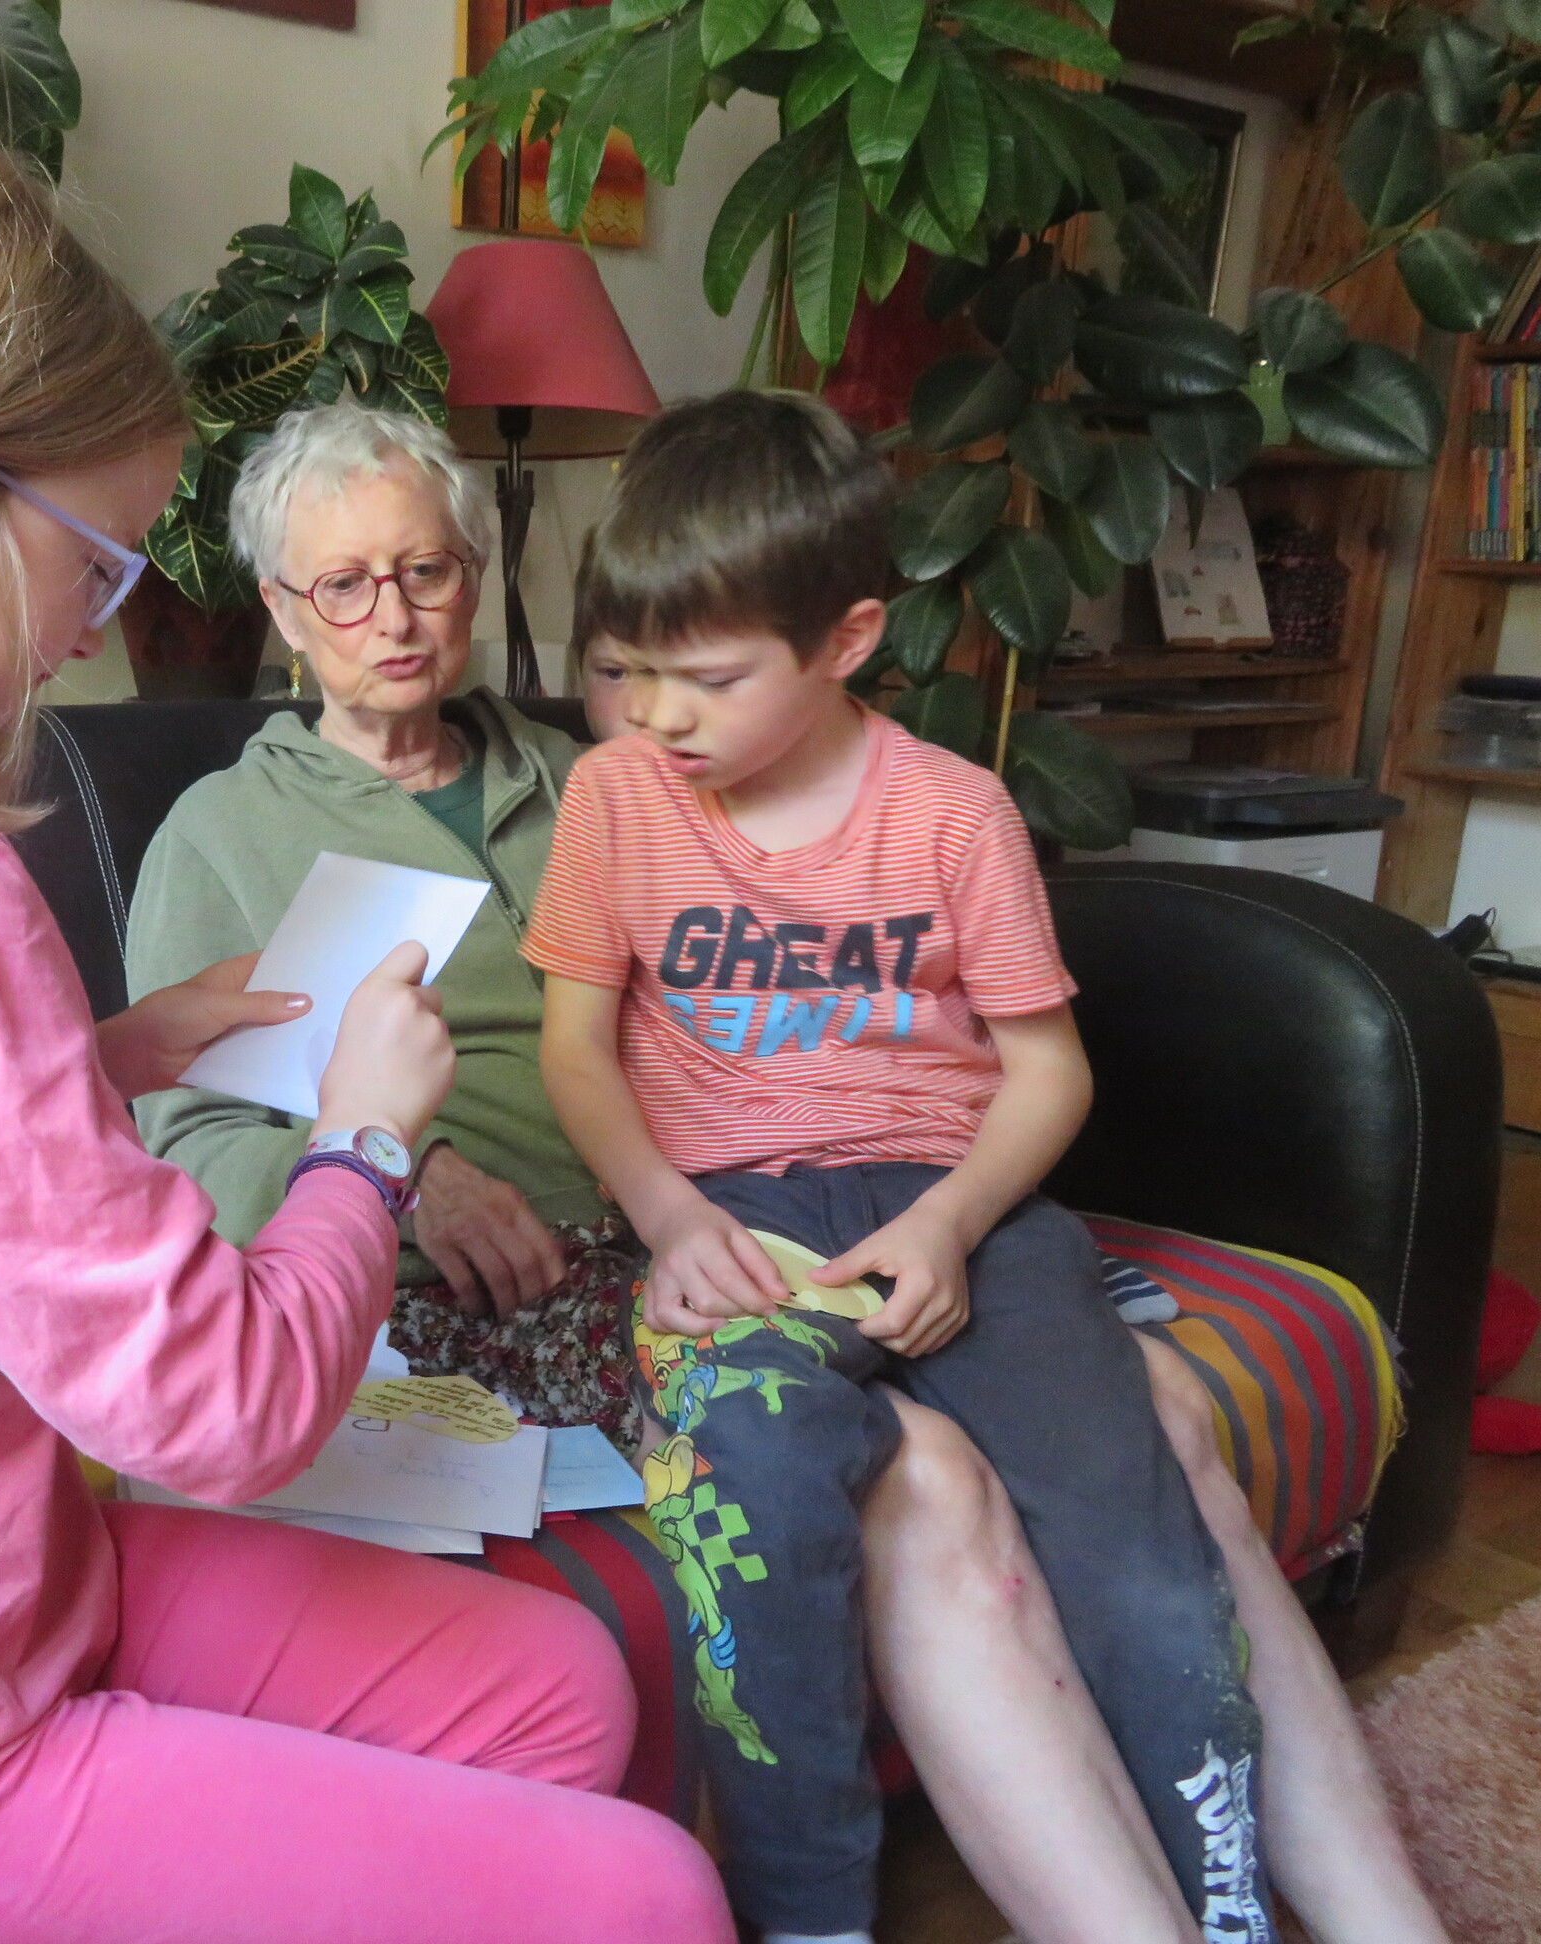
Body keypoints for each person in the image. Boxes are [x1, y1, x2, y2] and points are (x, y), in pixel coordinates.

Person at [0, 130, 732, 1944]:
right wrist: (364, 1141)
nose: (94, 629)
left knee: (566, 1687)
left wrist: (111, 1046)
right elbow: (225, 1409)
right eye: (97, 560)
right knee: (650, 1896)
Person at [533, 389, 1446, 1944]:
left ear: (847, 638)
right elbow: (577, 1048)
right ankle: (808, 1917)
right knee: (755, 1495)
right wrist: (668, 1216)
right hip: (732, 1215)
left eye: (710, 679)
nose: (657, 718)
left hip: (953, 1201)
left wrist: (955, 1223)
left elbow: (1047, 1070)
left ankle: (1226, 1903)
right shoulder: (615, 798)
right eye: (626, 671)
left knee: (1133, 1529)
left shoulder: (954, 816)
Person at [126, 401, 639, 1436]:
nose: (394, 620)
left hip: (663, 1245)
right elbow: (192, 1146)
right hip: (423, 1295)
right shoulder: (220, 831)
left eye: (425, 572)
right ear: (285, 613)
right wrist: (407, 1178)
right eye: (344, 585)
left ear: (473, 579)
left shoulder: (589, 780)